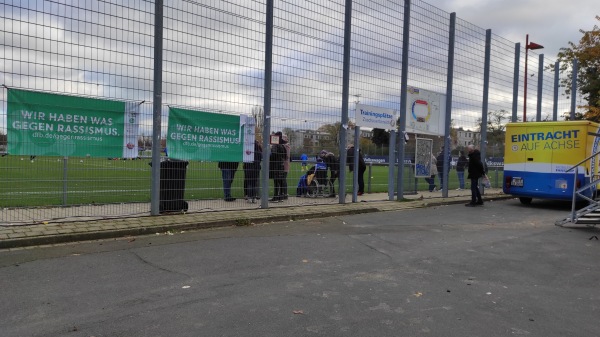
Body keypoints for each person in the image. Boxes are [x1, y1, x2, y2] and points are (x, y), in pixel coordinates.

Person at [269, 132, 287, 202]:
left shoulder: (275, 145)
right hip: (281, 165)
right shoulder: (282, 146)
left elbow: (273, 155)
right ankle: (280, 196)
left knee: (276, 181)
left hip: (275, 166)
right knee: (281, 181)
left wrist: (270, 157)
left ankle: (276, 197)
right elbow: (285, 156)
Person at [281, 134, 291, 200]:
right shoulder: (285, 146)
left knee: (283, 179)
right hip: (283, 165)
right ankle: (283, 193)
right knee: (282, 180)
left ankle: (284, 193)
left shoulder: (286, 146)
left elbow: (287, 156)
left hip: (284, 165)